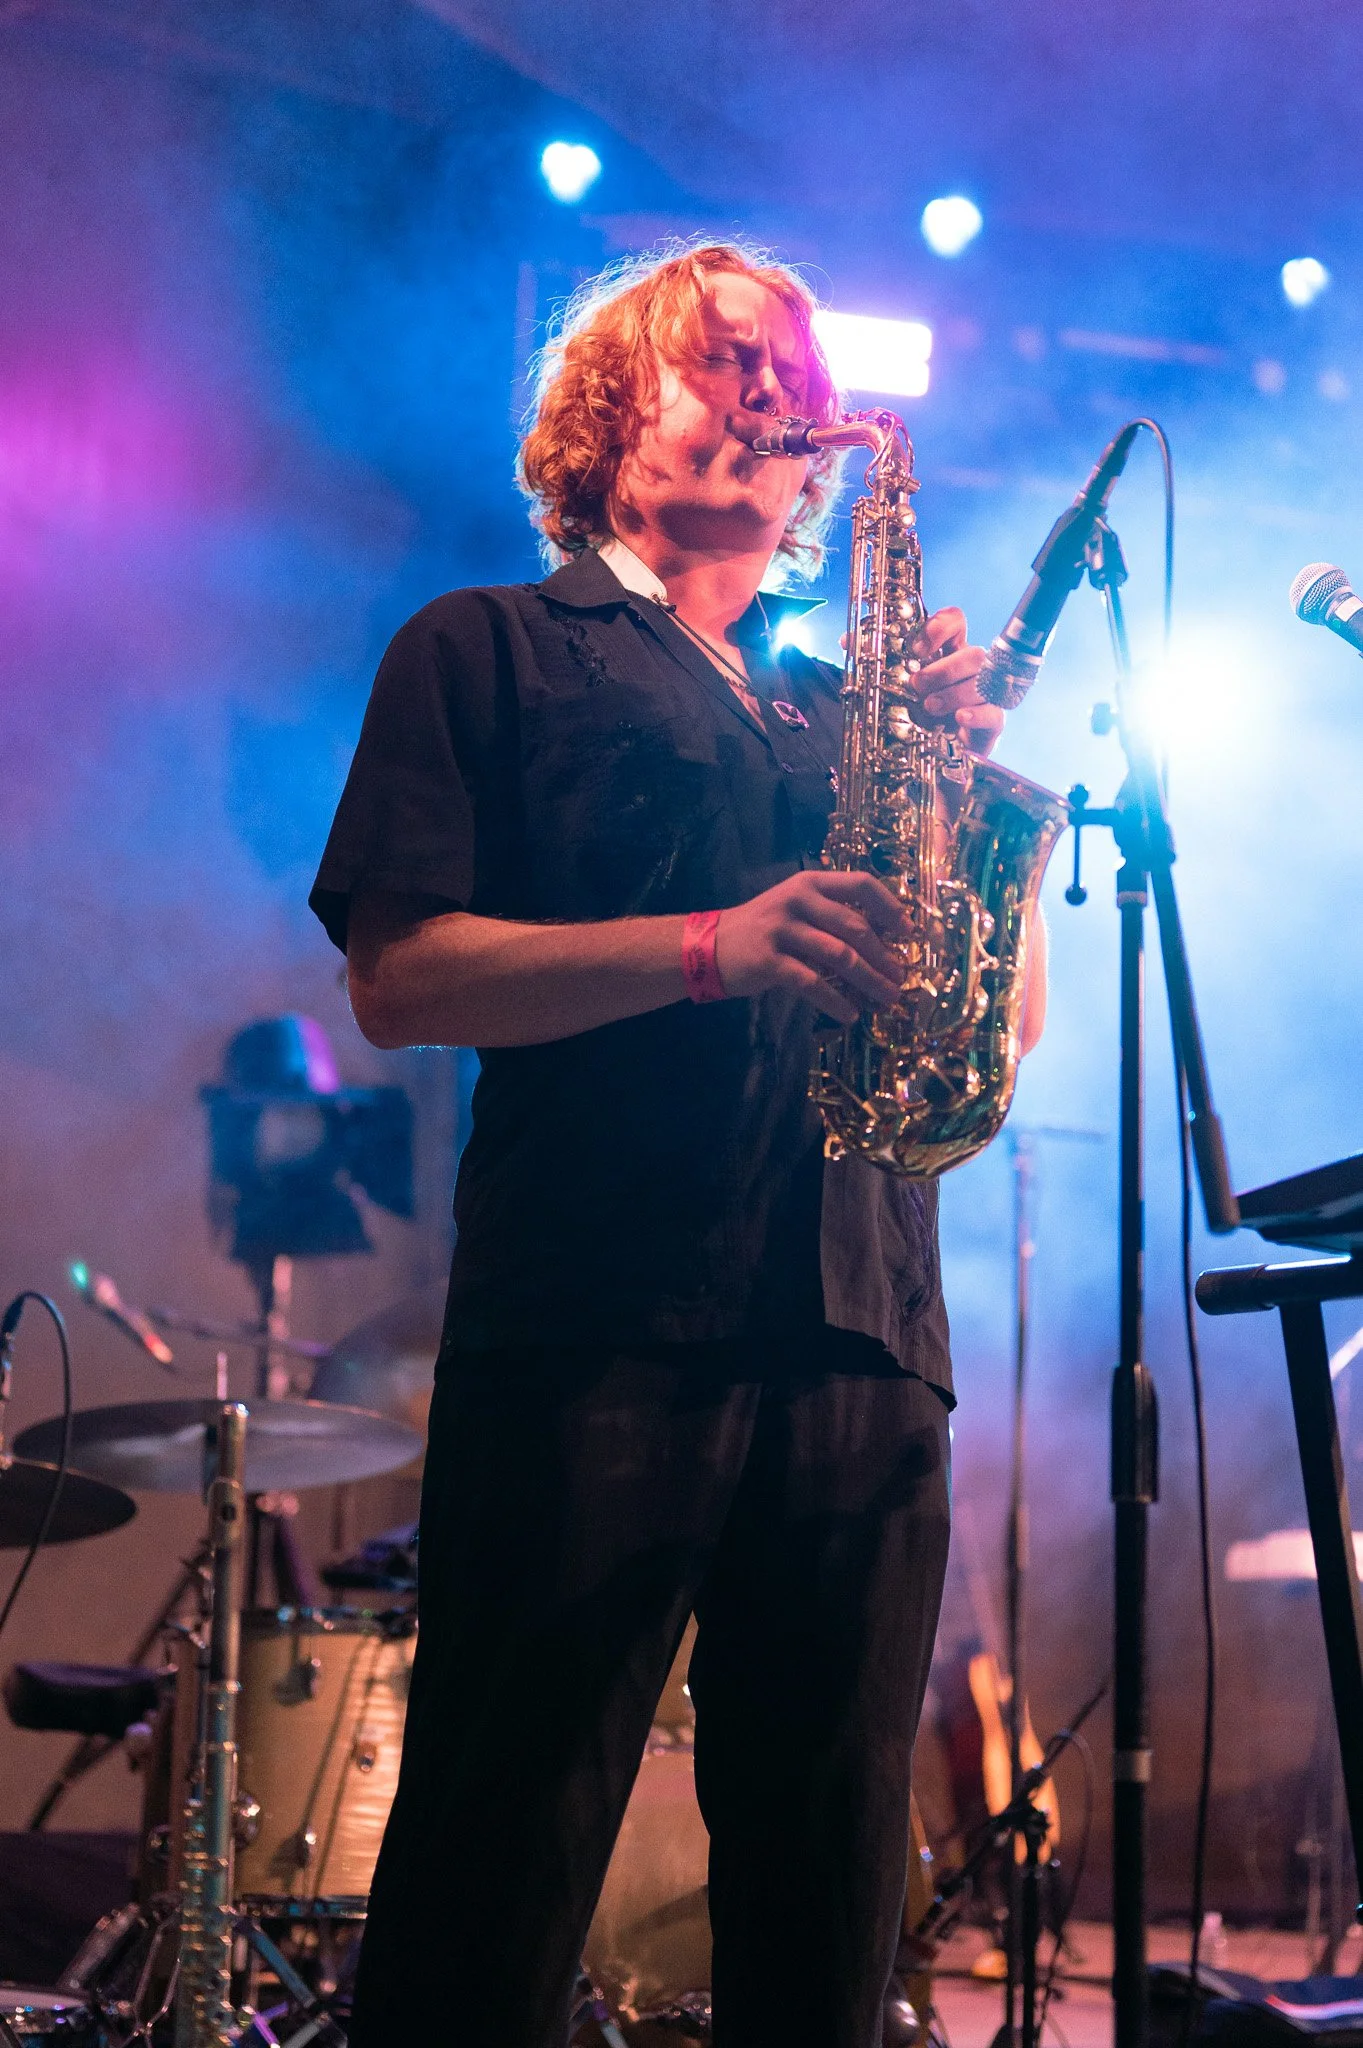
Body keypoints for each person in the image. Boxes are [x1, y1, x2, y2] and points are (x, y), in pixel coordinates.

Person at [309, 241, 1046, 2048]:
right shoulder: (487, 642)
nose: (762, 397)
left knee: (828, 1874)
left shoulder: (837, 711)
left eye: (785, 380)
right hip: (598, 1318)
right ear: (606, 408)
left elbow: (993, 1031)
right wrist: (714, 946)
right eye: (719, 360)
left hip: (862, 1333)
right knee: (505, 1838)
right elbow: (400, 982)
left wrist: (964, 797)